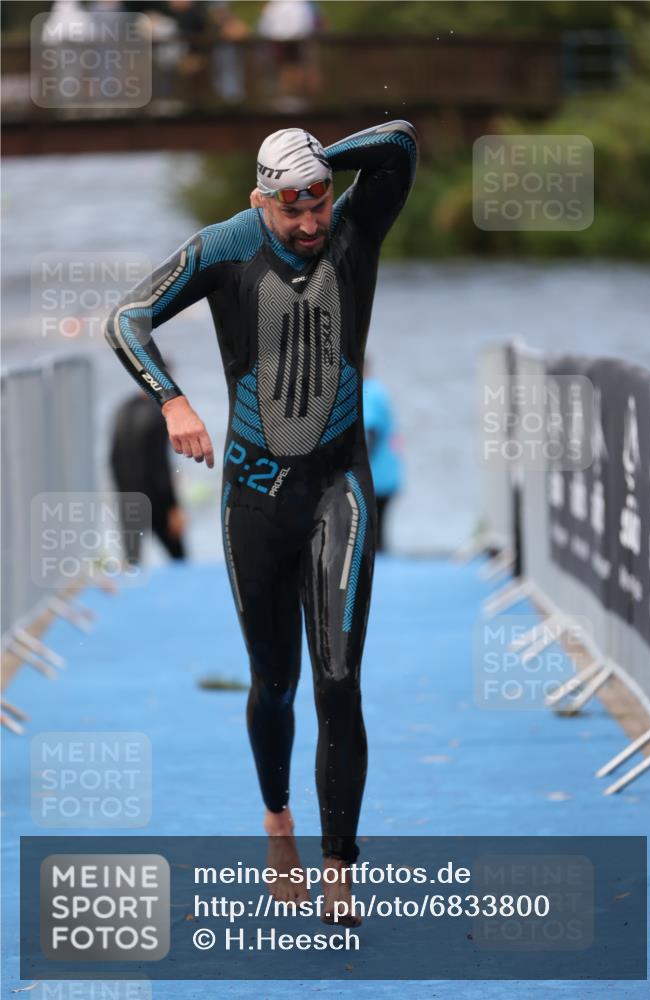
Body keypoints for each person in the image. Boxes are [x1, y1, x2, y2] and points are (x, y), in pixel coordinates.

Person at [105, 119, 417, 924]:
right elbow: (126, 320)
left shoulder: (356, 228)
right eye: (292, 208)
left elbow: (401, 143)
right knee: (274, 684)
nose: (311, 224)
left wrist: (320, 159)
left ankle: (339, 863)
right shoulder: (224, 246)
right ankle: (278, 822)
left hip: (337, 487)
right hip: (254, 498)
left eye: (318, 203)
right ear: (259, 201)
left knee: (339, 680)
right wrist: (172, 400)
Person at [110, 388, 187, 564]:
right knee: (179, 559)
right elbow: (160, 466)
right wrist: (173, 507)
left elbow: (113, 459)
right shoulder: (158, 414)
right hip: (156, 500)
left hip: (128, 499)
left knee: (132, 563)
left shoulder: (122, 410)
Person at [363, 361, 403, 551]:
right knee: (378, 530)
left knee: (372, 530)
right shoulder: (378, 390)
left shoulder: (369, 392)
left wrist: (360, 462)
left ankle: (378, 570)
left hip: (376, 476)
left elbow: (372, 431)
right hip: (387, 473)